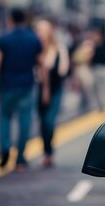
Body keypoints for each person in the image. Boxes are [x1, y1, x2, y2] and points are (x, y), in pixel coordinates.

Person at [0, 9, 49, 172]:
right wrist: (46, 89)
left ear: (10, 19)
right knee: (25, 123)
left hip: (6, 86)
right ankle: (20, 159)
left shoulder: (3, 39)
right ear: (25, 19)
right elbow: (42, 65)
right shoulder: (33, 39)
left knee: (4, 118)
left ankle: (5, 148)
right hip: (27, 87)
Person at [34, 18, 69, 168]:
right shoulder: (34, 49)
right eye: (37, 29)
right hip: (38, 90)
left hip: (55, 89)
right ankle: (47, 152)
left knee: (49, 121)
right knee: (42, 122)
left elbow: (63, 70)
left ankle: (49, 152)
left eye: (42, 29)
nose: (39, 33)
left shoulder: (59, 49)